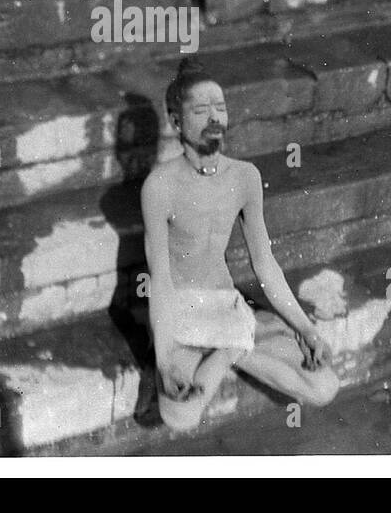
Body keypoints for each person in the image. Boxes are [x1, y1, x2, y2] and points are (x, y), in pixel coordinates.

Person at [142, 57, 339, 432]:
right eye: (201, 110)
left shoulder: (245, 177)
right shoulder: (160, 185)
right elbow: (161, 280)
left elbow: (265, 265)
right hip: (182, 312)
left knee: (324, 385)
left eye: (220, 108)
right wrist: (165, 358)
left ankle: (231, 345)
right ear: (176, 121)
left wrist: (306, 328)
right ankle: (233, 347)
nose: (214, 117)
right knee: (180, 415)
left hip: (226, 305)